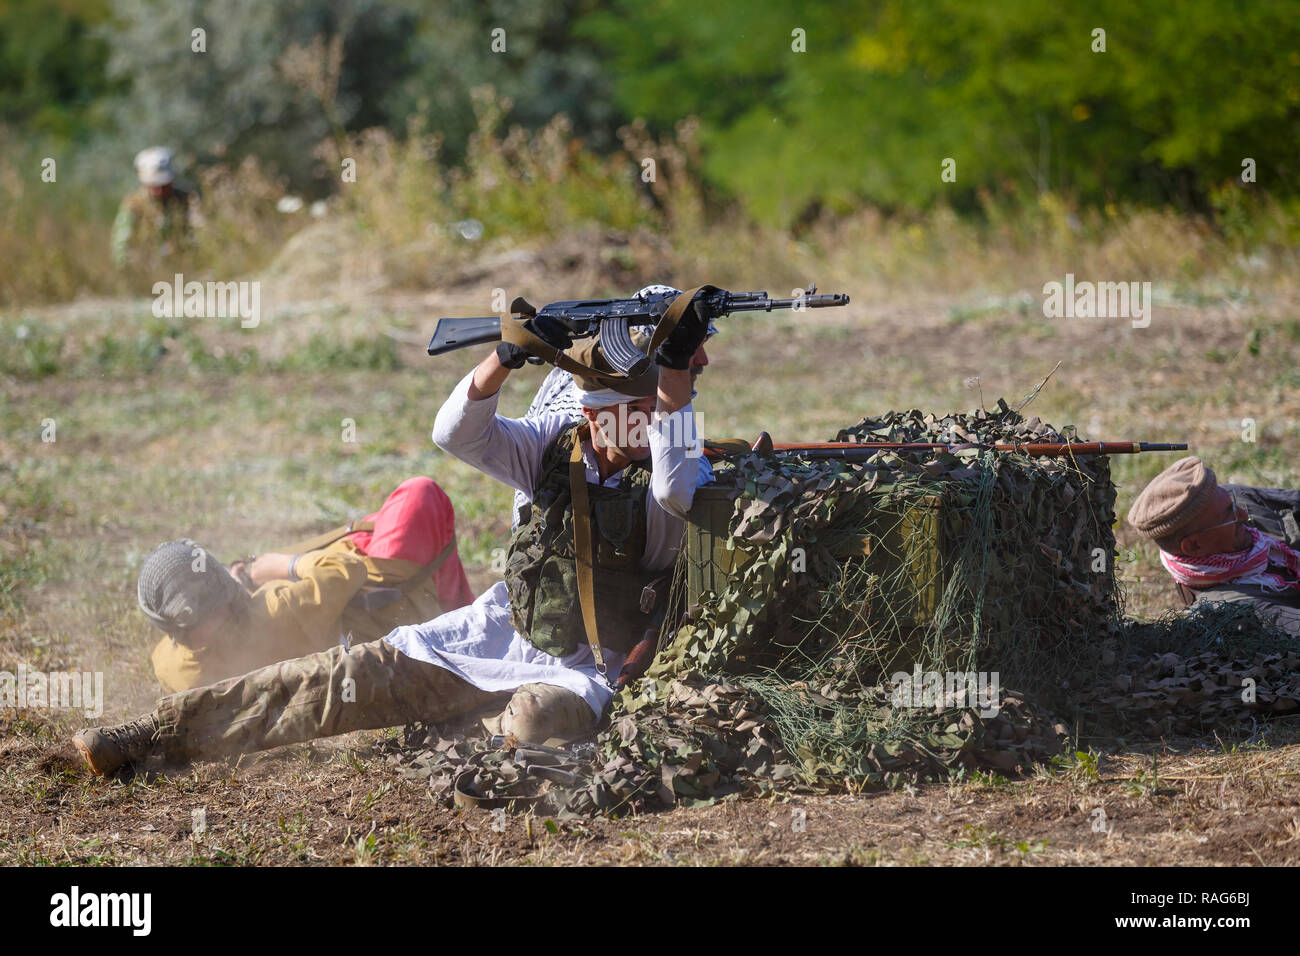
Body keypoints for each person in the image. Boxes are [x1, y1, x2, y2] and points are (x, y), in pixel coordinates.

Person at [73, 294, 714, 776]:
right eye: (610, 414)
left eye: (640, 416)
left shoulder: (677, 463)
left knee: (532, 721)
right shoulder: (551, 447)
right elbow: (454, 432)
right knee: (334, 680)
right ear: (590, 414)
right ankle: (152, 735)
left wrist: (676, 374)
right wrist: (506, 356)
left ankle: (468, 719)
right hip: (491, 635)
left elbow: (674, 490)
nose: (620, 430)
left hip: (589, 672)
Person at [143, 476, 474, 693]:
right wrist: (276, 566)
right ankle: (459, 623)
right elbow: (348, 568)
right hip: (378, 606)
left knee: (378, 523)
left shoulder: (169, 665)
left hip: (328, 625)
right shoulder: (277, 611)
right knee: (420, 495)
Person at [1127, 456, 1300, 637]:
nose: (1243, 515)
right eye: (1230, 515)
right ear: (1195, 546)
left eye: (1233, 506)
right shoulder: (1235, 608)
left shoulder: (1227, 500)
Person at [111, 147, 199, 269]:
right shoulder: (133, 205)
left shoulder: (185, 199)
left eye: (162, 184)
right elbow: (121, 244)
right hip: (146, 270)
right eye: (153, 185)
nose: (158, 190)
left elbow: (200, 231)